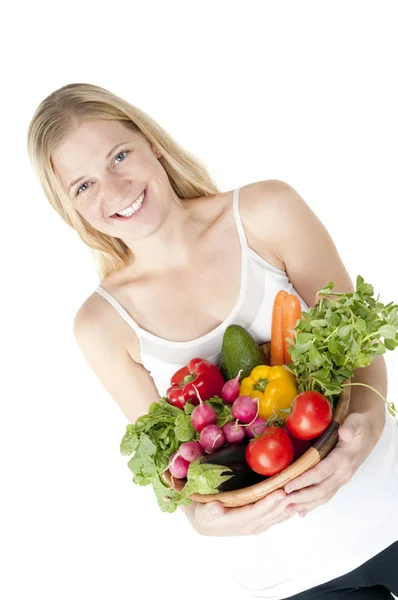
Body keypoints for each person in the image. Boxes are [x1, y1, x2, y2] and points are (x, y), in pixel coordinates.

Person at [27, 82, 398, 600]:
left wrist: (367, 427)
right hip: (291, 575)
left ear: (150, 142)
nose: (114, 189)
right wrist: (209, 523)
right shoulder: (101, 324)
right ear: (70, 209)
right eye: (83, 186)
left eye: (119, 155)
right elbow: (176, 478)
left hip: (389, 503)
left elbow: (359, 344)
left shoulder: (266, 211)